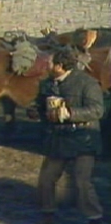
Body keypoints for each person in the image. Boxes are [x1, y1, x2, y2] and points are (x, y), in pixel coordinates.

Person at [27, 48, 105, 224]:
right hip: (57, 140)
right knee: (46, 180)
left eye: (49, 63)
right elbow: (40, 104)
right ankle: (48, 213)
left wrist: (70, 113)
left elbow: (97, 110)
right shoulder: (48, 84)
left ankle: (94, 217)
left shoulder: (87, 83)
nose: (46, 66)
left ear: (59, 66)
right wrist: (34, 111)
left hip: (83, 140)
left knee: (81, 182)